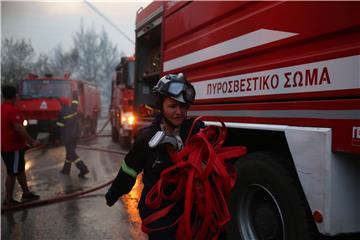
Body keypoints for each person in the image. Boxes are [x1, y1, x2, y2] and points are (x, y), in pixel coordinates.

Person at [105, 73, 204, 239]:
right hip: (160, 217)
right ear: (161, 107)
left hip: (188, 213)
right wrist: (114, 193)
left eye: (183, 107)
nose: (179, 112)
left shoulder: (195, 132)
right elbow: (129, 171)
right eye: (172, 106)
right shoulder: (146, 138)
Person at [1, 85, 41, 206]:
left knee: (19, 170)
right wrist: (31, 141)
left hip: (6, 146)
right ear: (15, 96)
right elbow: (19, 128)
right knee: (12, 172)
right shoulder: (13, 110)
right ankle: (8, 200)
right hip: (12, 148)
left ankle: (26, 193)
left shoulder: (2, 109)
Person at [56, 96, 89, 177]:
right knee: (69, 152)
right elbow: (75, 104)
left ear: (61, 103)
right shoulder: (73, 109)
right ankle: (66, 169)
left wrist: (57, 138)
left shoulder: (62, 112)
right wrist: (75, 97)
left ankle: (83, 168)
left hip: (68, 137)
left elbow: (59, 126)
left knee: (71, 153)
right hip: (75, 135)